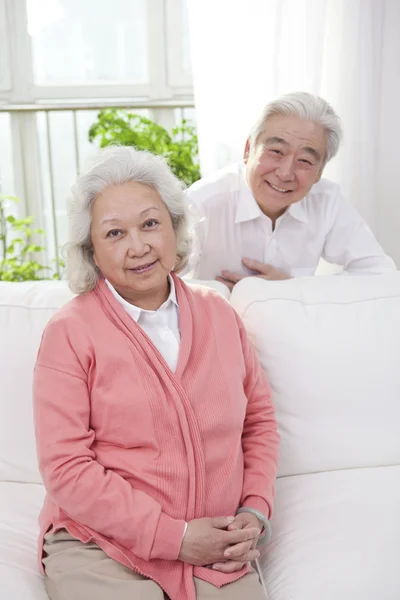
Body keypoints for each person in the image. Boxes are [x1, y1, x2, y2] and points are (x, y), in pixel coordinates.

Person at [33, 146, 279, 600]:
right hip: (101, 548)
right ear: (92, 250)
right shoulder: (70, 332)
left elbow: (259, 423)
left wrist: (255, 510)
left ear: (174, 227)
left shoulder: (220, 316)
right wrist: (177, 538)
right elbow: (66, 467)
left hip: (217, 549)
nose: (138, 246)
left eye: (150, 223)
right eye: (114, 233)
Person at [186, 92, 395, 289]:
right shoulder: (201, 203)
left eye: (305, 160)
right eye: (276, 151)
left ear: (319, 172)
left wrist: (293, 288)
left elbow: (380, 273)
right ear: (248, 150)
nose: (286, 173)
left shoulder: (326, 200)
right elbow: (164, 285)